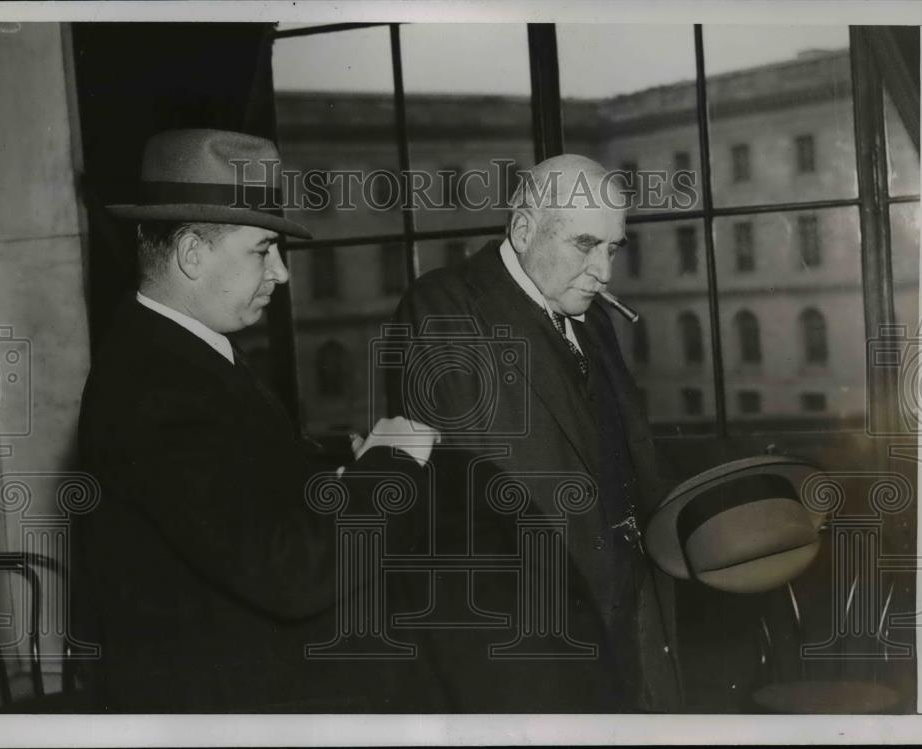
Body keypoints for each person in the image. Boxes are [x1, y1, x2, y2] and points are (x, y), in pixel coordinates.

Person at [74, 129, 438, 712]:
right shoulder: (158, 386)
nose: (282, 274)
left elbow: (239, 488)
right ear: (192, 253)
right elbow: (289, 572)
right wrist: (392, 463)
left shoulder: (179, 352)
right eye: (263, 249)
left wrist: (346, 466)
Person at [386, 154, 681, 712]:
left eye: (613, 247)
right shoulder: (445, 308)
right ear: (523, 230)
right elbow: (477, 505)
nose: (605, 271)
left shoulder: (583, 306)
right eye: (585, 244)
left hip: (626, 605)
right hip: (535, 630)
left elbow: (625, 445)